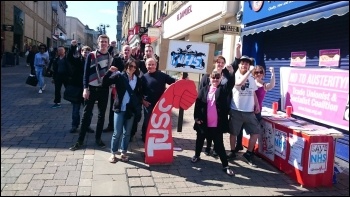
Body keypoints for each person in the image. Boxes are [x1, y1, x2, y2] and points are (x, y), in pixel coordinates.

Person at [69, 34, 113, 151]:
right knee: (86, 115)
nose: (103, 43)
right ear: (98, 43)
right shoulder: (92, 55)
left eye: (105, 42)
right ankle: (80, 140)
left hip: (104, 89)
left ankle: (98, 138)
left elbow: (110, 74)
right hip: (91, 88)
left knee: (101, 115)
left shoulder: (110, 57)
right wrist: (85, 88)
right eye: (101, 41)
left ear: (108, 44)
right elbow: (86, 73)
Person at [192, 68, 235, 176]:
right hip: (203, 122)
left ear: (220, 79)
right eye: (213, 77)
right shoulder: (203, 90)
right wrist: (196, 118)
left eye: (217, 77)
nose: (215, 79)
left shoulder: (223, 89)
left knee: (219, 145)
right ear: (209, 78)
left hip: (217, 124)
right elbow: (198, 104)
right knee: (200, 140)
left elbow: (231, 83)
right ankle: (197, 156)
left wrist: (229, 73)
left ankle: (225, 165)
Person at [102, 58, 143, 163]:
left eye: (135, 66)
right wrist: (109, 71)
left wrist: (138, 103)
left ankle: (123, 152)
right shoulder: (119, 76)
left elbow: (139, 93)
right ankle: (113, 153)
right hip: (120, 108)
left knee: (127, 133)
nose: (132, 68)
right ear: (126, 66)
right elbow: (105, 82)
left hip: (130, 110)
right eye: (130, 66)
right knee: (117, 132)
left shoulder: (137, 79)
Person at [228, 56, 260, 167]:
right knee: (233, 133)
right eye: (243, 63)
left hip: (249, 111)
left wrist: (257, 104)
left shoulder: (251, 76)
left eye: (247, 64)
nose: (245, 65)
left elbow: (254, 92)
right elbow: (238, 84)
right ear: (239, 64)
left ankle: (248, 153)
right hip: (236, 109)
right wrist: (249, 72)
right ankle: (232, 152)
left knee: (255, 132)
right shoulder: (234, 75)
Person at [140, 57, 176, 142]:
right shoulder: (143, 78)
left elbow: (174, 82)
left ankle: (157, 138)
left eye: (153, 64)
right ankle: (145, 139)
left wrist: (183, 80)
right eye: (149, 64)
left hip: (161, 105)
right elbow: (139, 92)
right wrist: (143, 101)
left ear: (156, 65)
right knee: (147, 122)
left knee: (159, 124)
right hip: (148, 104)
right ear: (146, 66)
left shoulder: (162, 75)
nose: (151, 66)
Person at [66, 40, 93, 133]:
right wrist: (73, 47)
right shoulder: (77, 61)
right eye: (84, 52)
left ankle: (87, 125)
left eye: (88, 52)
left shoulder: (92, 62)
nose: (86, 53)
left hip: (88, 89)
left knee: (89, 110)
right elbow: (69, 57)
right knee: (75, 109)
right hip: (77, 89)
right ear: (81, 52)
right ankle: (74, 125)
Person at [103, 45, 131, 133]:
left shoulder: (133, 61)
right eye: (125, 50)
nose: (126, 52)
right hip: (117, 87)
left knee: (128, 107)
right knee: (114, 106)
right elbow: (112, 70)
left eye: (128, 50)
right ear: (122, 51)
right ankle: (111, 125)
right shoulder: (117, 59)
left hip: (129, 87)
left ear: (130, 51)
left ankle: (125, 127)